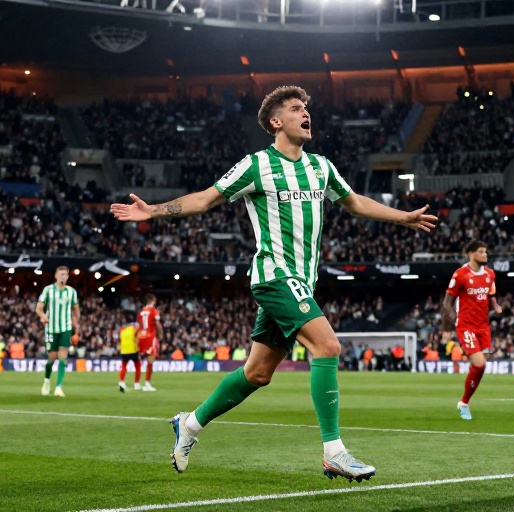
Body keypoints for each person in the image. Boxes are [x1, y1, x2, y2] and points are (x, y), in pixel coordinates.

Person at [110, 85, 437, 482]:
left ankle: (189, 424)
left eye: (306, 108)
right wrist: (154, 211)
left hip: (302, 281)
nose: (306, 113)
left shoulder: (321, 167)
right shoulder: (256, 165)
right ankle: (334, 452)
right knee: (327, 346)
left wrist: (402, 217)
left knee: (257, 374)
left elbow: (354, 203)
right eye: (296, 108)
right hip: (275, 275)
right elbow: (206, 199)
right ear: (276, 121)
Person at [442, 240, 502, 421]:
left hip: (484, 326)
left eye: (486, 251)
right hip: (466, 325)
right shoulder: (460, 274)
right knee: (480, 364)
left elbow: (491, 295)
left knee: (481, 366)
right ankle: (464, 403)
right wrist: (448, 322)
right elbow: (447, 302)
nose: (485, 255)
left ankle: (465, 399)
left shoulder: (490, 274)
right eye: (481, 252)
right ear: (471, 254)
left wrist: (495, 306)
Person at [36, 266, 79, 398]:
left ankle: (59, 387)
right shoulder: (48, 290)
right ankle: (47, 380)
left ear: (67, 276)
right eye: (61, 274)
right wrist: (43, 317)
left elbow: (76, 309)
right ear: (56, 276)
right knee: (52, 358)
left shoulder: (71, 292)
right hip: (51, 329)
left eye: (65, 274)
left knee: (62, 358)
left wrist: (76, 325)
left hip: (66, 328)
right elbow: (39, 308)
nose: (63, 277)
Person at [137, 294, 163, 392]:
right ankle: (147, 384)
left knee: (140, 360)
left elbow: (139, 324)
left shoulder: (141, 312)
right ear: (154, 300)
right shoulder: (154, 311)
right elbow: (157, 323)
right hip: (150, 336)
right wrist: (161, 333)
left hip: (141, 336)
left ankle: (137, 382)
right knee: (150, 361)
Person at [118, 313, 141, 392]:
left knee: (124, 366)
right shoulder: (134, 328)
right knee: (137, 366)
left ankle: (121, 382)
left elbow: (120, 339)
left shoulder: (121, 329)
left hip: (124, 350)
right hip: (133, 349)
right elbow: (137, 337)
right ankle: (136, 384)